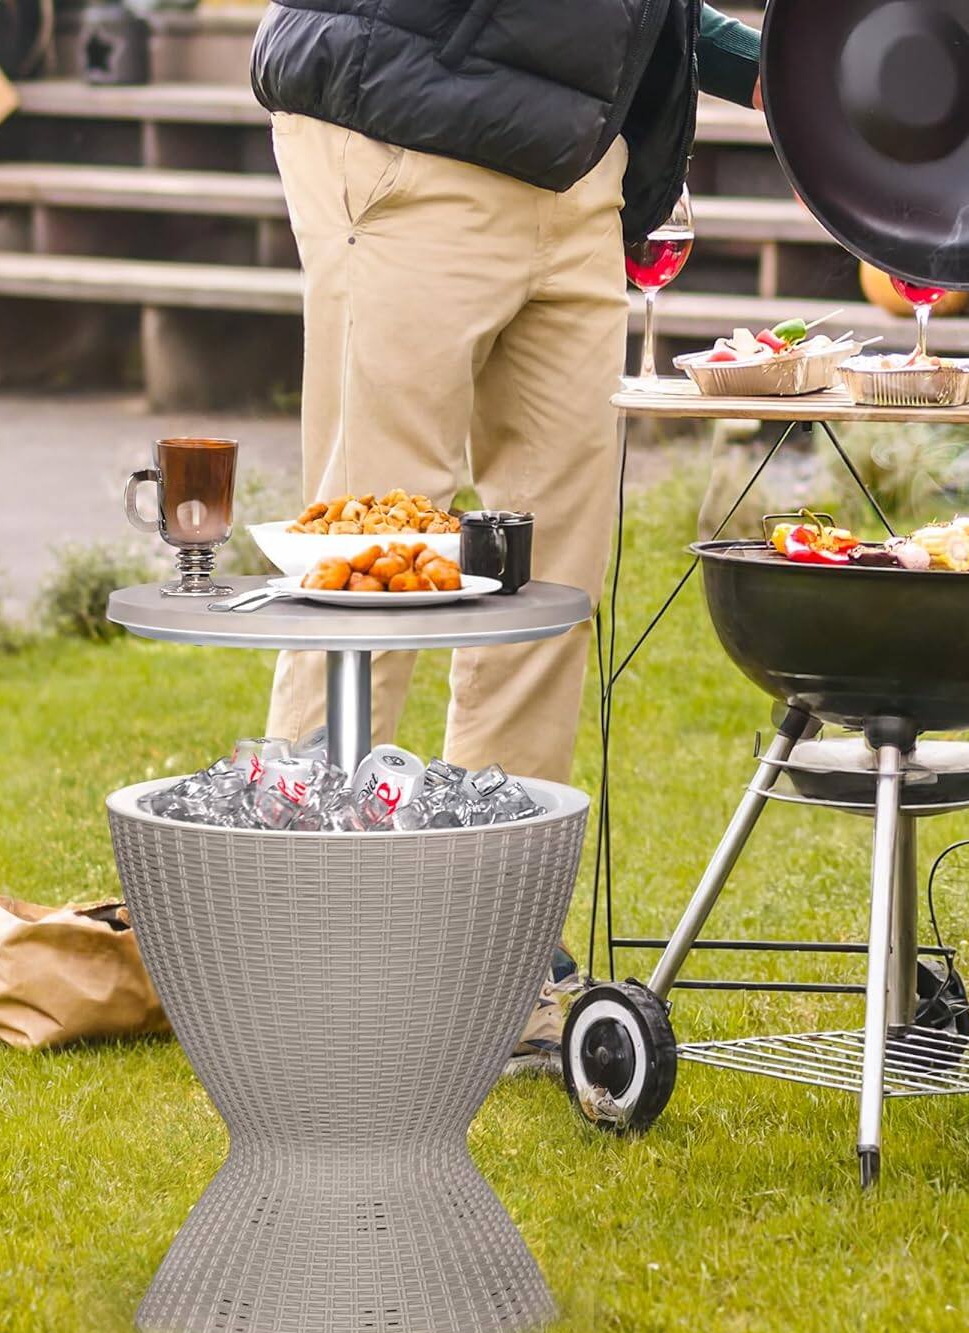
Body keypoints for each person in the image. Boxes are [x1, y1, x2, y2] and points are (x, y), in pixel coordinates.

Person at [252, 0, 764, 1063]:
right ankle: (314, 937)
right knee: (375, 549)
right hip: (409, 130)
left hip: (574, 166)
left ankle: (490, 946)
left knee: (547, 577)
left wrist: (763, 67)